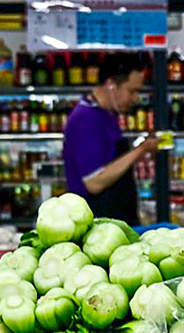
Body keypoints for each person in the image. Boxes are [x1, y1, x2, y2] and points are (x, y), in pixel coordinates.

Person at [62, 52, 158, 224]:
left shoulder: (107, 114)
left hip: (117, 219)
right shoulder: (84, 119)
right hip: (98, 224)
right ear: (111, 85)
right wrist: (141, 150)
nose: (135, 99)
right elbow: (94, 182)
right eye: (132, 91)